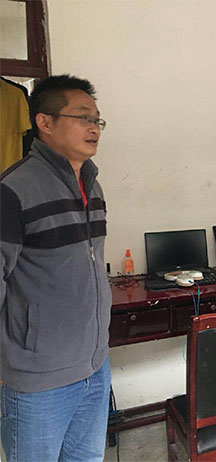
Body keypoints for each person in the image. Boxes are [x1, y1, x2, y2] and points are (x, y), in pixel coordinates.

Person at [0, 75, 111, 461]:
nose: (94, 128)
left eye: (97, 119)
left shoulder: (92, 185)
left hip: (95, 368)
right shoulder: (13, 190)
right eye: (83, 117)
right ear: (44, 122)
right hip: (39, 381)